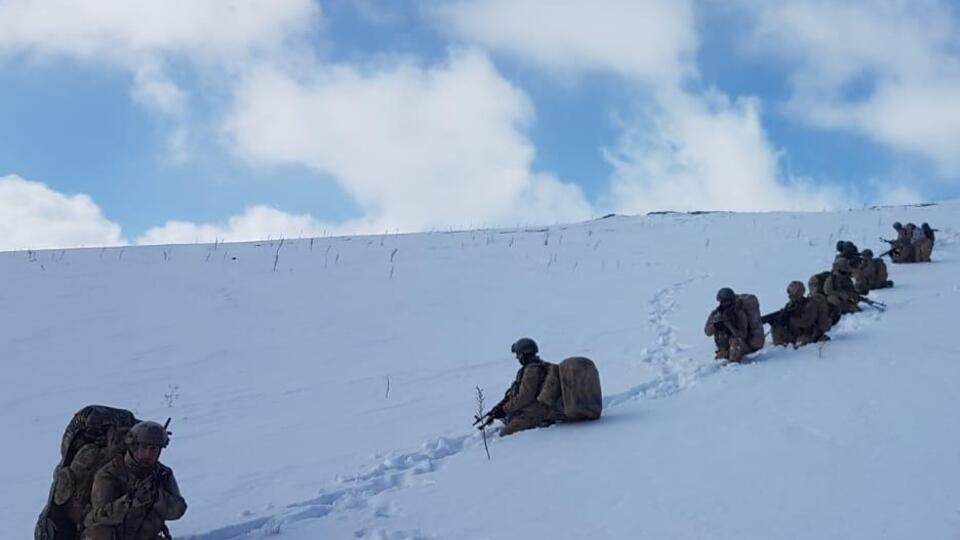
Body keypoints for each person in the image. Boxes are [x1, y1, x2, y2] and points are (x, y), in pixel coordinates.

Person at [83, 421, 186, 540]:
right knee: (99, 532)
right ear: (133, 447)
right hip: (115, 536)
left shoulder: (163, 474)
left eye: (154, 449)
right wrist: (129, 502)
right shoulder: (109, 474)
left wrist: (157, 497)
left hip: (147, 535)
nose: (148, 454)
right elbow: (100, 515)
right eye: (144, 447)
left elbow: (178, 511)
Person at [477, 338, 558, 436]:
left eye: (519, 354)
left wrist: (504, 410)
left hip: (535, 413)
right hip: (531, 409)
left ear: (525, 354)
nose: (517, 357)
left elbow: (525, 396)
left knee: (505, 434)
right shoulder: (533, 367)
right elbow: (514, 392)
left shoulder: (532, 371)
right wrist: (498, 408)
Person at [704, 288, 763, 363]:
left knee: (735, 341)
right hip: (724, 346)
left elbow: (743, 335)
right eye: (722, 301)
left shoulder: (739, 313)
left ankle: (734, 364)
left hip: (740, 345)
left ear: (732, 301)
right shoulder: (716, 314)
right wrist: (715, 326)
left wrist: (729, 325)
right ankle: (723, 355)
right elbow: (707, 332)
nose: (725, 303)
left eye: (727, 301)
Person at [766, 281, 829, 348]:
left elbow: (806, 322)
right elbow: (785, 318)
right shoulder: (790, 305)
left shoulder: (809, 304)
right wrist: (779, 320)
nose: (789, 296)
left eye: (792, 294)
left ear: (799, 293)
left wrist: (790, 319)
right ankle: (780, 348)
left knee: (800, 343)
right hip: (795, 333)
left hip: (809, 333)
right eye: (789, 293)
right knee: (776, 326)